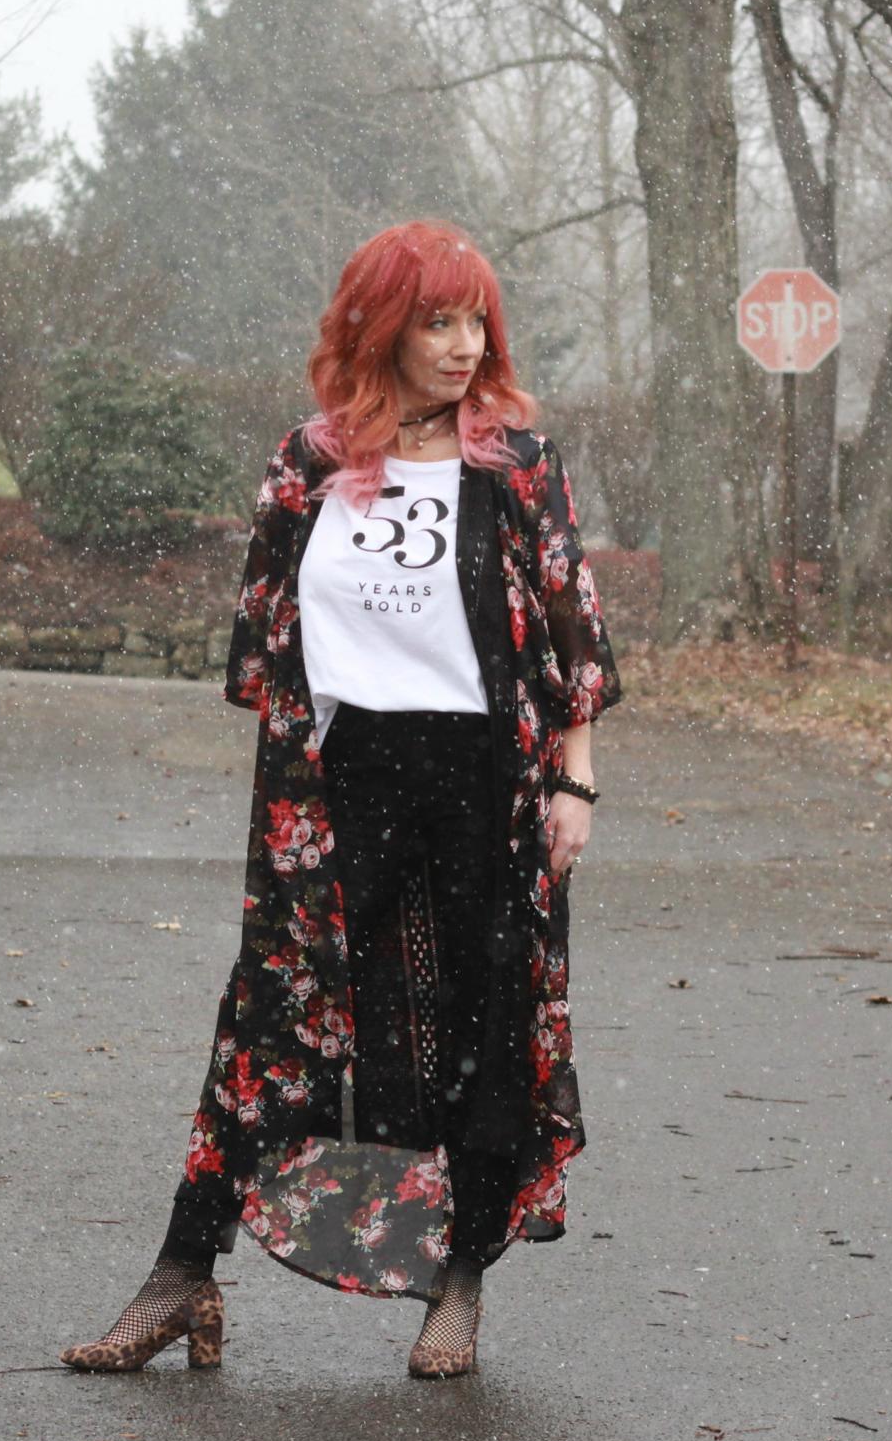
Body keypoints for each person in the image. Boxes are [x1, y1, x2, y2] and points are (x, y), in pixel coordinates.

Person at [60, 218, 622, 1378]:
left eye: (478, 320)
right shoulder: (310, 463)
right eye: (438, 320)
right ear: (382, 325)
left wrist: (574, 779)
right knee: (273, 1020)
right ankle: (182, 1273)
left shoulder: (516, 465)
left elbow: (575, 636)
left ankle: (458, 1284)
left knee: (481, 1022)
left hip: (485, 783)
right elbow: (264, 646)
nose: (466, 344)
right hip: (342, 784)